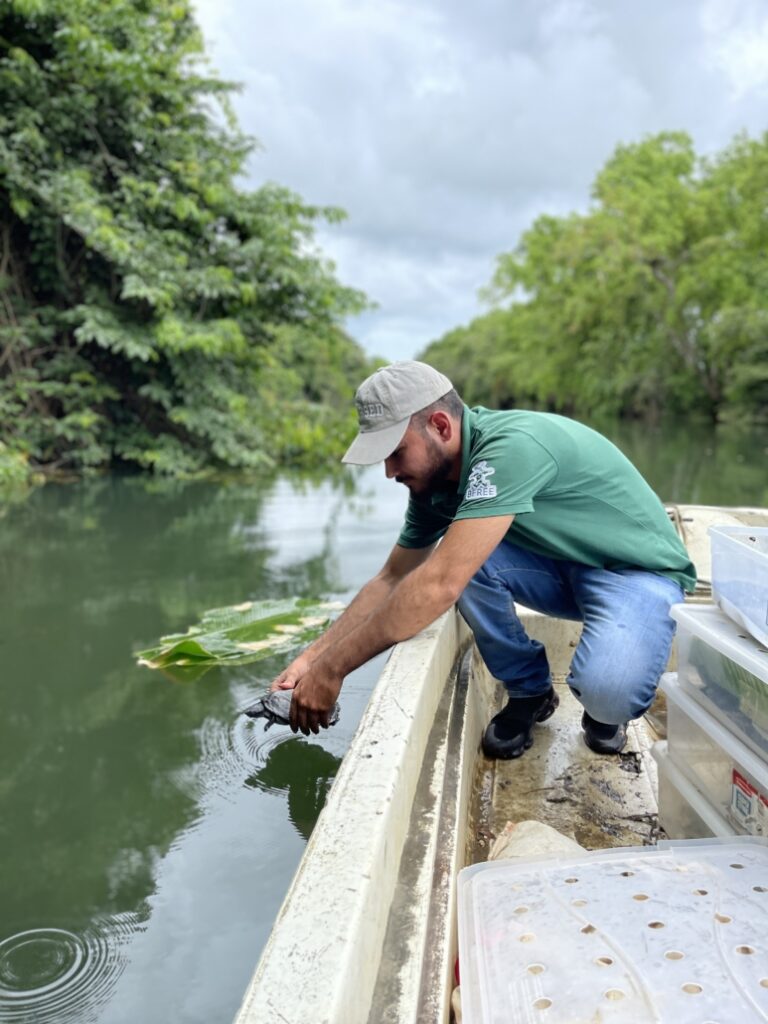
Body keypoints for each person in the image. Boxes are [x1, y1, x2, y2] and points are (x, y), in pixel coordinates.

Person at [271, 361, 696, 758]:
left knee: (607, 691)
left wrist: (334, 670)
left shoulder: (509, 447)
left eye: (396, 452)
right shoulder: (434, 485)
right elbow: (393, 577)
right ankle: (530, 691)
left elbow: (439, 584)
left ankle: (607, 714)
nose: (389, 472)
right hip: (558, 567)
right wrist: (313, 659)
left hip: (636, 572)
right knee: (457, 562)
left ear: (440, 426)